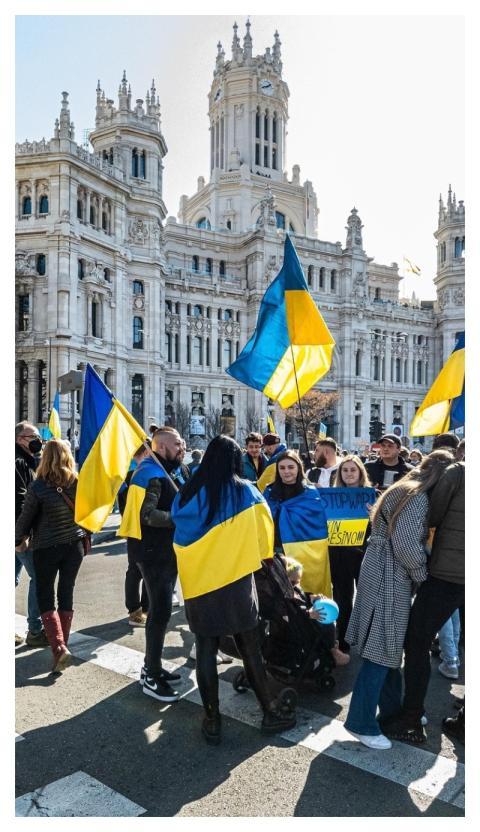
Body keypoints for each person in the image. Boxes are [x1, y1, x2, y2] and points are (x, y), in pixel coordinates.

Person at [172, 435, 297, 744]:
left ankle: (212, 718)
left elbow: (177, 529)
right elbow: (264, 542)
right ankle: (269, 710)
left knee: (205, 649)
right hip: (237, 583)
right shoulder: (246, 492)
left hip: (198, 583)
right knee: (250, 648)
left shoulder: (186, 493)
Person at [344, 450, 454, 750]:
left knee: (386, 649)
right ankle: (360, 721)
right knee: (382, 651)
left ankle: (391, 713)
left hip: (380, 569)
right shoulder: (417, 497)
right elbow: (406, 544)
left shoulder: (404, 489)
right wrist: (422, 573)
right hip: (389, 574)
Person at [384, 456, 464, 744]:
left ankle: (411, 718)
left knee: (416, 641)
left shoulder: (458, 473)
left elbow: (433, 516)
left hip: (448, 572)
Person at [119, 427, 184, 702]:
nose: (182, 447)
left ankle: (153, 666)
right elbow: (147, 515)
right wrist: (180, 517)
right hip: (153, 553)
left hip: (166, 552)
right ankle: (151, 675)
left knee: (162, 612)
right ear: (161, 447)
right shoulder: (151, 474)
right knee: (159, 613)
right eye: (177, 444)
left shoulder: (170, 470)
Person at [264, 450, 347, 664]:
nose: (286, 472)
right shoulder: (269, 493)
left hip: (310, 556)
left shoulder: (312, 493)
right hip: (278, 556)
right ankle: (286, 649)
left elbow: (327, 520)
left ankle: (329, 647)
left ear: (299, 469)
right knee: (285, 604)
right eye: (282, 468)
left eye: (291, 467)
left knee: (316, 599)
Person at [15, 439, 88, 672]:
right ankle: (62, 645)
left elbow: (26, 517)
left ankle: (58, 647)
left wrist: (17, 539)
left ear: (45, 458)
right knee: (66, 592)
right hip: (74, 545)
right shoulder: (77, 482)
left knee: (45, 594)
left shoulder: (38, 486)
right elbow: (89, 513)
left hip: (46, 547)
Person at [329, 456, 374, 653]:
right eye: (345, 470)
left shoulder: (372, 496)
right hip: (339, 555)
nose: (349, 474)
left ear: (360, 473)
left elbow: (382, 525)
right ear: (340, 474)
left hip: (364, 554)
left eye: (352, 470)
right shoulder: (331, 497)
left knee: (366, 598)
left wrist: (374, 514)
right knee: (343, 599)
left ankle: (368, 639)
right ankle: (344, 638)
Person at [15, 421, 48, 647]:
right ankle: (35, 631)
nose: (38, 441)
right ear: (20, 439)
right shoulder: (17, 462)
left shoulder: (28, 461)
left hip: (20, 532)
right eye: (33, 436)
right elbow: (19, 501)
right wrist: (20, 536)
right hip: (20, 533)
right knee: (39, 577)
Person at [284, 557, 350, 667]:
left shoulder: (294, 587)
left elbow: (302, 595)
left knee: (326, 617)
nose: (297, 584)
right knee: (326, 623)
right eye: (294, 582)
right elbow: (292, 612)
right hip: (299, 623)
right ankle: (333, 650)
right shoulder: (285, 595)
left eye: (299, 582)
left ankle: (333, 644)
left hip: (304, 615)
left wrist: (312, 597)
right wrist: (309, 614)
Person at [117, 442, 151, 627]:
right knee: (137, 571)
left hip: (138, 529)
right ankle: (136, 609)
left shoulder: (135, 473)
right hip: (137, 528)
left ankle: (143, 608)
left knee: (142, 571)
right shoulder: (132, 475)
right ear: (146, 451)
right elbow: (125, 505)